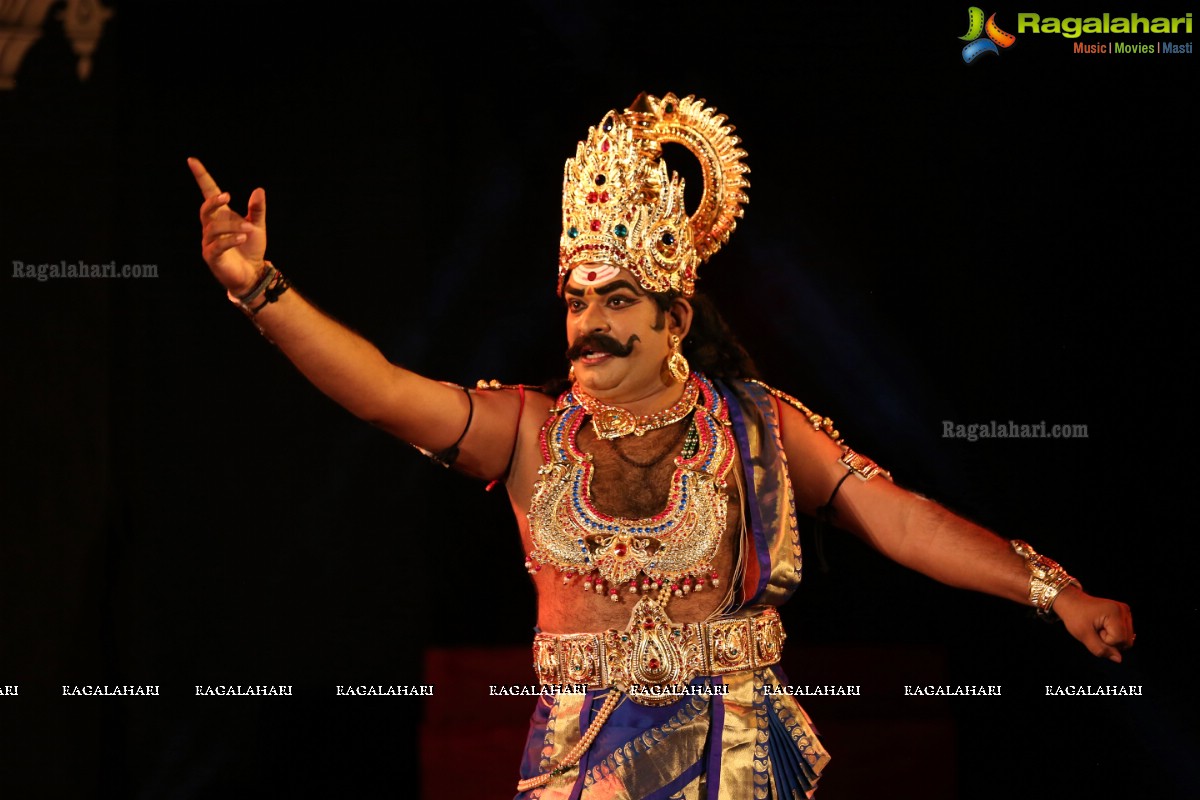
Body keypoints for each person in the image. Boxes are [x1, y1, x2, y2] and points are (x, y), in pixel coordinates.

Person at [188, 91, 1134, 799]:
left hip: (727, 765)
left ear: (676, 314)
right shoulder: (526, 430)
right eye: (576, 301)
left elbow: (898, 521)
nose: (588, 324)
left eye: (618, 301)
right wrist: (258, 289)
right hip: (573, 770)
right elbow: (383, 394)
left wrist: (1052, 590)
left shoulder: (754, 428)